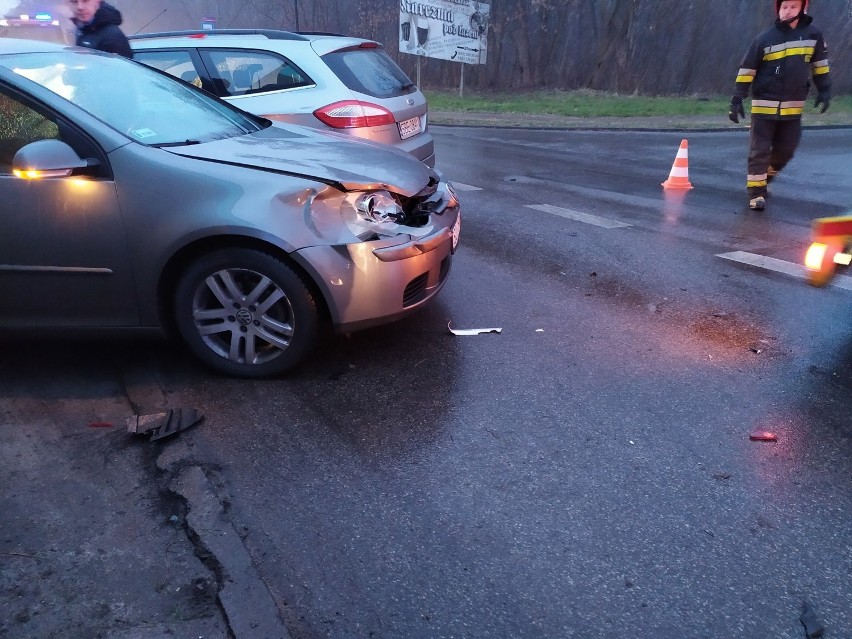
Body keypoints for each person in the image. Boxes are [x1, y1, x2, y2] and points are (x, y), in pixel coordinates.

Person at [728, 0, 831, 211]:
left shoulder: (814, 36)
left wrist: (825, 89)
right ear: (778, 9)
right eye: (784, 7)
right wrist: (737, 99)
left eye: (793, 7)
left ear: (803, 8)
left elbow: (820, 65)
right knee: (760, 151)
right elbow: (747, 69)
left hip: (793, 109)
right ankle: (756, 193)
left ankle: (762, 179)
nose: (787, 11)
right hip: (764, 107)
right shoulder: (764, 39)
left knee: (786, 151)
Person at [68, 0, 133, 59]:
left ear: (98, 1)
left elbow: (123, 70)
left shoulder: (112, 36)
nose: (80, 7)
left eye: (85, 1)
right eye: (74, 2)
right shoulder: (81, 30)